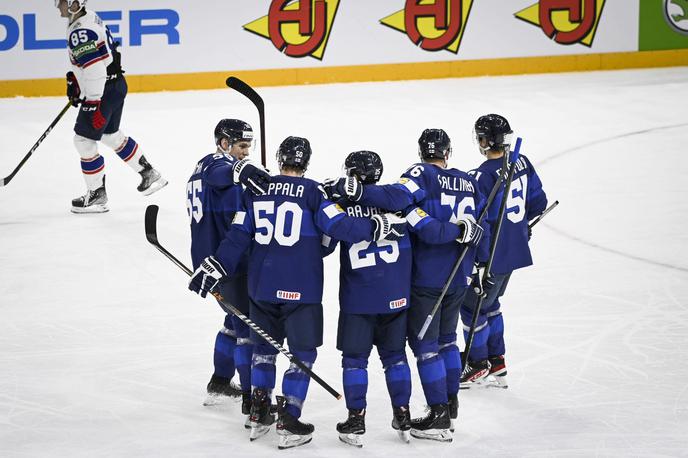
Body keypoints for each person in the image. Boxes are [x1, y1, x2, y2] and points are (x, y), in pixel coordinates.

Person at [188, 136, 406, 450]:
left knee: (263, 350)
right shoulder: (314, 192)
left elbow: (237, 237)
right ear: (306, 163)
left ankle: (259, 411)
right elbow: (340, 228)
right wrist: (375, 226)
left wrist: (217, 266)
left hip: (261, 287)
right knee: (301, 356)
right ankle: (289, 420)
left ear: (279, 159)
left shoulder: (256, 191)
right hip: (301, 289)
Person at [330, 129, 484, 441]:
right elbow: (483, 226)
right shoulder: (469, 181)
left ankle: (438, 412)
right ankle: (448, 405)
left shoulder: (418, 178)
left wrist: (352, 193)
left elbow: (398, 200)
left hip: (426, 279)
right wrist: (480, 261)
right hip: (458, 275)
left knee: (425, 349)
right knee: (447, 341)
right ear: (448, 151)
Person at [322, 151, 413, 448]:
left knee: (354, 361)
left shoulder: (342, 208)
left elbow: (324, 246)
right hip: (395, 297)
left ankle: (356, 419)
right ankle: (403, 414)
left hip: (358, 299)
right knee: (396, 358)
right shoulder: (396, 202)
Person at [187, 119, 270, 422]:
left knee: (233, 321)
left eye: (249, 147)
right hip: (226, 263)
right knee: (248, 329)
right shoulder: (214, 166)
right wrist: (242, 173)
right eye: (242, 146)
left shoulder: (204, 169)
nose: (246, 153)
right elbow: (219, 173)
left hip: (212, 262)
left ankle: (220, 383)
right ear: (224, 144)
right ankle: (251, 401)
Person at [459, 114, 548, 389]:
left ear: (484, 141)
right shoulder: (521, 161)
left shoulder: (481, 176)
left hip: (493, 253)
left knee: (471, 307)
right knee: (491, 305)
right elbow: (538, 202)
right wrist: (519, 227)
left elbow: (481, 223)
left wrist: (480, 259)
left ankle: (477, 364)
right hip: (514, 249)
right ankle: (496, 360)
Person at [56, 0, 167, 213]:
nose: (57, 5)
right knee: (109, 134)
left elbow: (96, 69)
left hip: (103, 90)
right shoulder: (88, 18)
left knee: (83, 140)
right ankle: (149, 174)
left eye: (62, 1)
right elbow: (103, 56)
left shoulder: (80, 31)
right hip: (116, 85)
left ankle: (96, 195)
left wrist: (94, 102)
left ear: (74, 4)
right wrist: (75, 78)